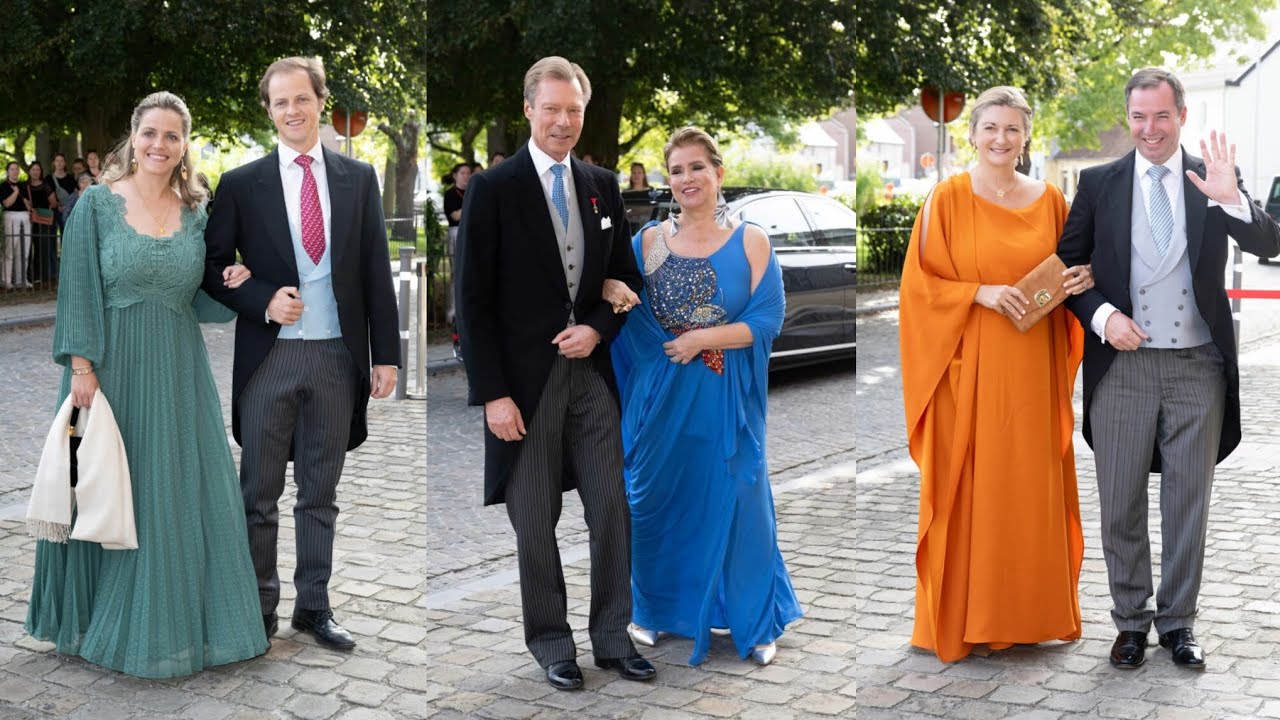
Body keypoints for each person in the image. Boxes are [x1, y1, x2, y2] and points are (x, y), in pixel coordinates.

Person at [24, 90, 268, 679]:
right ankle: (88, 619)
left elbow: (204, 296)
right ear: (132, 138)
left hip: (179, 371)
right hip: (109, 372)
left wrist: (234, 277)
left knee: (171, 490)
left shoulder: (197, 212)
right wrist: (82, 368)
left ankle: (176, 622)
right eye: (150, 133)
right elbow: (78, 287)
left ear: (185, 146)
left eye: (172, 136)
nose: (160, 145)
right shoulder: (98, 206)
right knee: (105, 484)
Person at [1057, 67, 1280, 670]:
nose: (1149, 129)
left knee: (1188, 503)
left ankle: (1178, 623)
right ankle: (1130, 622)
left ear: (1181, 115)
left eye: (1161, 116)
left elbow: (1269, 243)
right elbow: (1066, 269)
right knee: (1120, 501)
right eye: (1138, 117)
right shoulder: (1099, 182)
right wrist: (1103, 317)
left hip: (1196, 367)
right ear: (1127, 118)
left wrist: (1231, 198)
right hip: (1122, 369)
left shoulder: (1211, 178)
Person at [455, 55, 652, 691]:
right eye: (552, 109)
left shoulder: (601, 185)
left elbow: (627, 278)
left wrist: (597, 325)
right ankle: (551, 643)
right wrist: (493, 396)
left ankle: (613, 638)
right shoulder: (494, 188)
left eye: (574, 110)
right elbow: (473, 302)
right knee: (534, 521)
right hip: (524, 388)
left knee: (612, 510)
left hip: (592, 380)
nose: (563, 121)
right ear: (529, 111)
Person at [202, 56, 400, 652]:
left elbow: (373, 270)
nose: (293, 110)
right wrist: (263, 299)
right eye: (281, 102)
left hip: (338, 359)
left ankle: (314, 607)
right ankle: (258, 607)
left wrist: (384, 354)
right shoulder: (241, 183)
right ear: (269, 110)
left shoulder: (358, 178)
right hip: (269, 361)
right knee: (257, 494)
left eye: (302, 99)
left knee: (320, 492)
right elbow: (209, 268)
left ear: (320, 101)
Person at [899, 86, 1096, 663]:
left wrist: (1076, 283)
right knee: (972, 489)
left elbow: (1066, 272)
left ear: (1026, 136)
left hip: (1033, 367)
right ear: (973, 133)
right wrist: (977, 292)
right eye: (991, 128)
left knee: (1026, 488)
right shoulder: (946, 200)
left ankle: (1028, 615)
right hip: (969, 368)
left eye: (1012, 129)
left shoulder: (1053, 200)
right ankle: (968, 617)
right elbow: (919, 289)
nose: (1001, 139)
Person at [605, 127, 803, 666]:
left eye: (697, 167)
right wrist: (610, 289)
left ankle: (754, 620)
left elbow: (767, 320)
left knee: (741, 500)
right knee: (655, 501)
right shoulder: (645, 241)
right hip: (660, 399)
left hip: (726, 398)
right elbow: (615, 300)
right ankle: (655, 612)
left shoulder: (752, 240)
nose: (687, 179)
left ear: (719, 174)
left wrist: (702, 339)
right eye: (676, 170)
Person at [24, 160, 58, 283]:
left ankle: (41, 276)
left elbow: (53, 203)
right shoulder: (24, 186)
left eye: (38, 169)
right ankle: (28, 276)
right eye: (33, 169)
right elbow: (24, 201)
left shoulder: (46, 185)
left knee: (41, 249)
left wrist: (44, 210)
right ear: (29, 171)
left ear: (41, 171)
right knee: (27, 248)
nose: (35, 172)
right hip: (28, 220)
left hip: (43, 221)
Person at [3, 162, 33, 289]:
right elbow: (6, 204)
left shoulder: (24, 185)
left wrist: (27, 203)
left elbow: (30, 206)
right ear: (8, 171)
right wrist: (15, 193)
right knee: (10, 250)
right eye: (12, 169)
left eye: (17, 169)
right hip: (10, 215)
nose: (15, 172)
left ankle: (22, 280)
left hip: (25, 216)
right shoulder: (3, 186)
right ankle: (7, 281)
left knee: (24, 250)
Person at [443, 162, 470, 227]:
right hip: (457, 231)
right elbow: (456, 217)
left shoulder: (472, 192)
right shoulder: (450, 194)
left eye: (468, 173)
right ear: (455, 176)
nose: (466, 176)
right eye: (462, 173)